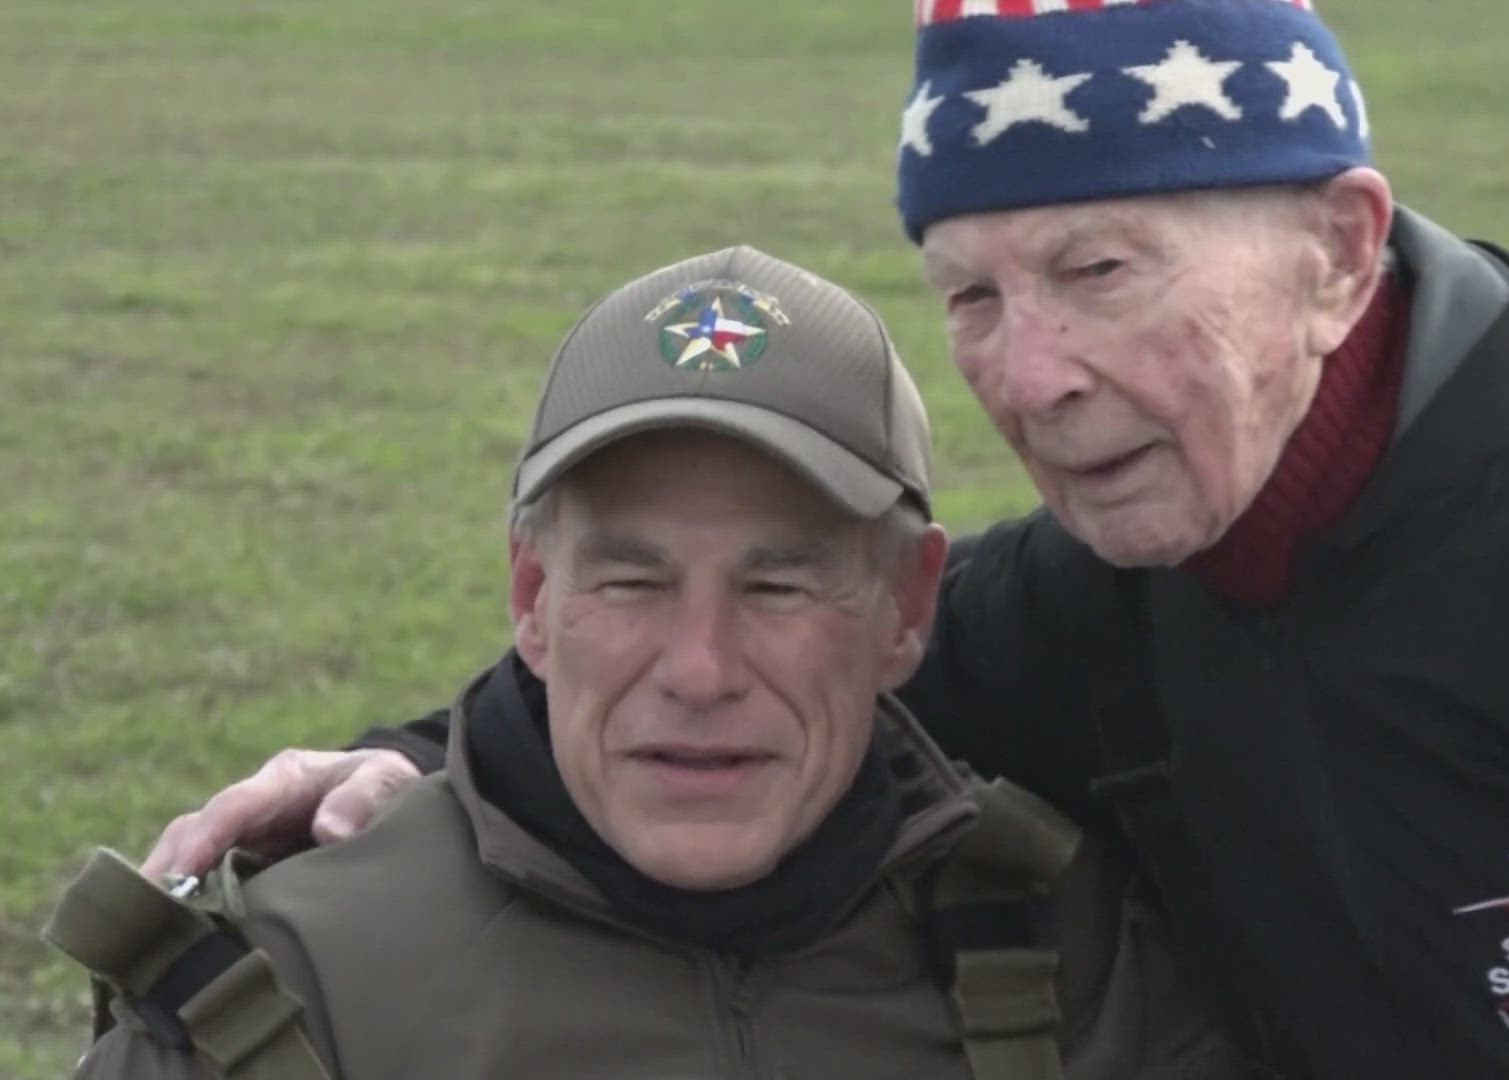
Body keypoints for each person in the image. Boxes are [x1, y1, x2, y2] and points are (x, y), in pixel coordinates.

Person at [137, 1, 1509, 1077]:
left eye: (1099, 273)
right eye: (970, 294)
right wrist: (410, 762)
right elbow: (759, 667)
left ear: (1339, 249)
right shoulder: (1090, 600)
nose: (1032, 378)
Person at [44, 247, 1246, 1080]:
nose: (702, 669)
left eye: (777, 584)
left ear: (904, 608)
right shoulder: (287, 998)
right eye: (630, 580)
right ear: (533, 597)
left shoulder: (1074, 960)